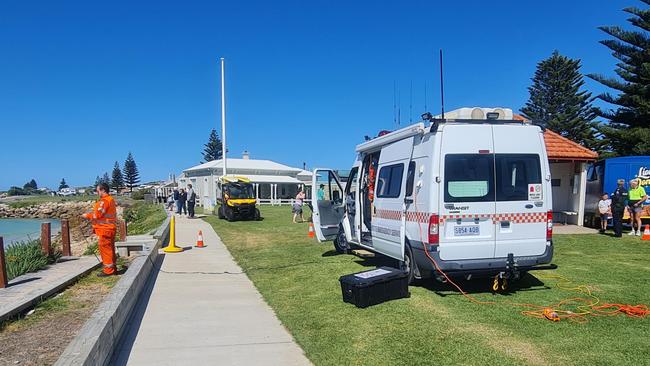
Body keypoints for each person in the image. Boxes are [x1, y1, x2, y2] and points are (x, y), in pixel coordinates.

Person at [82, 182, 118, 277]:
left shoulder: (104, 201)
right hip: (109, 229)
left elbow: (97, 215)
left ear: (103, 190)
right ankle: (113, 268)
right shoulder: (111, 200)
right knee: (110, 249)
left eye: (98, 191)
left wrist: (87, 215)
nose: (97, 193)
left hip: (105, 230)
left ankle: (108, 271)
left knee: (106, 250)